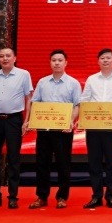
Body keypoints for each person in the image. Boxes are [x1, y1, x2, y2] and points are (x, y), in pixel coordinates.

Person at [0, 47, 33, 209]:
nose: (5, 58)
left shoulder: (23, 74)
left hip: (14, 120)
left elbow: (29, 99)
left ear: (15, 58)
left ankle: (13, 196)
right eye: (1, 56)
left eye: (8, 56)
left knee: (13, 158)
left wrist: (26, 121)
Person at [27, 49, 82, 210]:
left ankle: (62, 197)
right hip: (44, 129)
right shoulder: (43, 82)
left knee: (63, 164)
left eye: (60, 60)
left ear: (66, 63)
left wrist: (71, 121)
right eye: (54, 60)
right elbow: (35, 103)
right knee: (42, 163)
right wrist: (33, 120)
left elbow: (77, 105)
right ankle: (42, 196)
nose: (57, 63)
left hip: (63, 130)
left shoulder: (73, 83)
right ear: (50, 63)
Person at [80, 48, 112, 209]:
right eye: (102, 58)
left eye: (108, 58)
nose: (105, 60)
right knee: (94, 162)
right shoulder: (92, 79)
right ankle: (96, 196)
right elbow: (85, 100)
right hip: (94, 127)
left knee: (111, 163)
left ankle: (111, 196)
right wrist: (84, 118)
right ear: (98, 61)